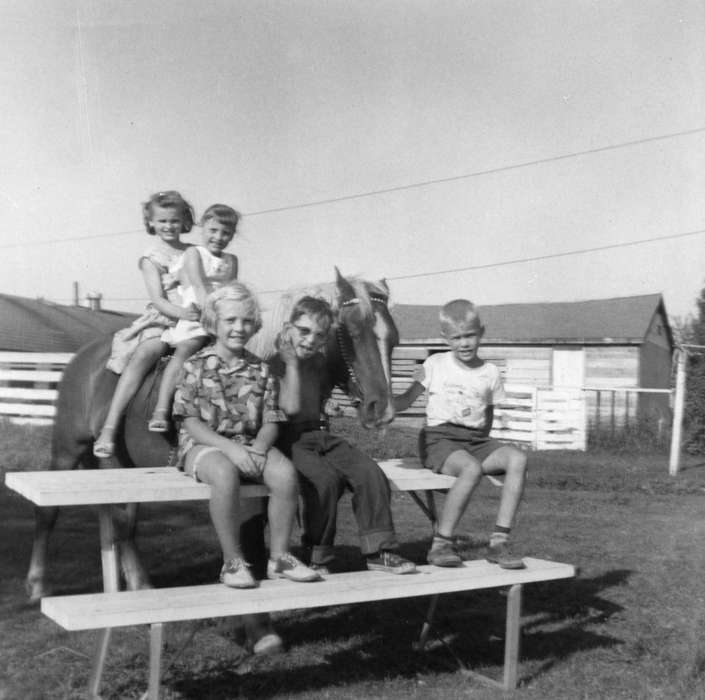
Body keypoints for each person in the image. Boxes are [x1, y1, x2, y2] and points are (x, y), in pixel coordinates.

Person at [172, 283, 321, 588]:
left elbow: (271, 418)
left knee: (284, 473)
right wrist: (232, 450)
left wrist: (259, 448)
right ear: (214, 322)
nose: (239, 328)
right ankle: (232, 562)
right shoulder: (194, 365)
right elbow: (190, 422)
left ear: (255, 325)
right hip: (204, 445)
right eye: (230, 320)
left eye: (246, 321)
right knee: (225, 474)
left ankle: (280, 557)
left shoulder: (260, 369)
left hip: (248, 443)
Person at [273, 296, 416, 575]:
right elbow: (287, 408)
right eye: (303, 331)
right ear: (288, 327)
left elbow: (348, 381)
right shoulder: (275, 362)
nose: (310, 340)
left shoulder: (320, 362)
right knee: (324, 481)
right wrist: (290, 364)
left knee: (370, 472)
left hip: (320, 433)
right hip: (288, 439)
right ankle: (317, 554)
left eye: (319, 335)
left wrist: (355, 403)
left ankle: (380, 551)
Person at [393, 299, 528, 569]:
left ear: (482, 332)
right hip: (439, 439)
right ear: (445, 338)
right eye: (456, 338)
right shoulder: (434, 364)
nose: (464, 343)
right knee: (471, 468)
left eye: (470, 335)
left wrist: (485, 446)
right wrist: (380, 400)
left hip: (476, 440)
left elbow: (487, 415)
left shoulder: (490, 372)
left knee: (517, 459)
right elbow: (405, 401)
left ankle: (499, 541)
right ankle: (441, 544)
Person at [93, 190, 199, 458]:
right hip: (165, 317)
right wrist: (182, 314)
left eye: (174, 221)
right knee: (146, 352)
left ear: (184, 221)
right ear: (151, 223)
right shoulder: (151, 258)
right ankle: (110, 426)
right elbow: (159, 299)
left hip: (194, 318)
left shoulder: (194, 252)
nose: (168, 226)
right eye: (162, 221)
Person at [148, 203, 240, 432]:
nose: (219, 237)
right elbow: (199, 286)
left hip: (223, 317)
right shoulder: (193, 253)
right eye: (213, 230)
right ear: (203, 228)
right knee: (187, 349)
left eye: (226, 233)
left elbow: (232, 290)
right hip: (198, 314)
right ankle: (160, 408)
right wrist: (214, 319)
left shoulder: (231, 260)